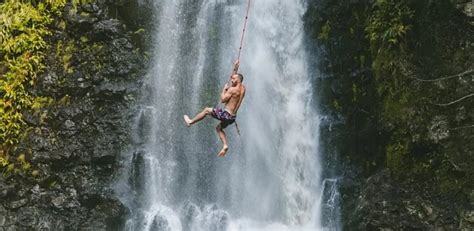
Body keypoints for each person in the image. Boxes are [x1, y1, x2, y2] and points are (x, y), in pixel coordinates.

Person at [184, 60, 246, 157]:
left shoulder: (232, 90)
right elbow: (235, 80)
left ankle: (190, 122)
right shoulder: (243, 89)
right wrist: (235, 69)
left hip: (226, 115)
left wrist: (224, 90)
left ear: (237, 80)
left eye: (233, 79)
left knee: (206, 110)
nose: (231, 80)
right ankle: (225, 145)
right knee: (218, 128)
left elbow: (222, 100)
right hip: (232, 118)